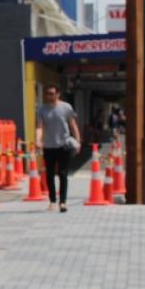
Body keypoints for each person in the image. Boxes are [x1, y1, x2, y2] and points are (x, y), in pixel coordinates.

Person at [35, 85, 81, 213]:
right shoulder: (41, 109)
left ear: (58, 94)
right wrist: (38, 140)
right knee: (49, 175)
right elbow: (39, 127)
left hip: (63, 145)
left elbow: (72, 124)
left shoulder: (66, 107)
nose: (49, 96)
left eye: (51, 93)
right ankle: (52, 201)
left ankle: (63, 202)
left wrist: (78, 141)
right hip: (49, 146)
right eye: (47, 93)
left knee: (62, 174)